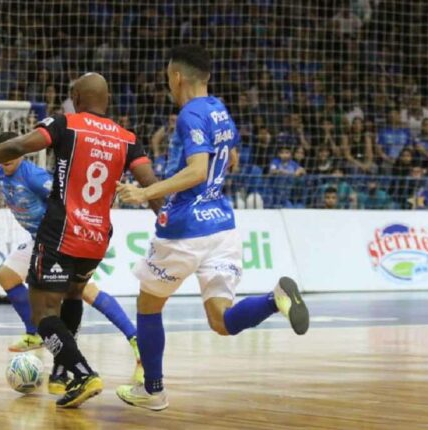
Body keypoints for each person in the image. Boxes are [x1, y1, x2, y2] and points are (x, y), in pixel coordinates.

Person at [0, 73, 161, 408]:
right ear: (108, 99)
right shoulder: (128, 139)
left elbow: (16, 146)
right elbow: (149, 183)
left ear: (75, 97)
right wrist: (165, 218)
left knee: (43, 315)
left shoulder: (65, 124)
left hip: (60, 231)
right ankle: (65, 372)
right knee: (73, 294)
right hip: (98, 236)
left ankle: (82, 372)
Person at [114, 45, 309, 411]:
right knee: (222, 321)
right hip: (222, 225)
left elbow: (198, 170)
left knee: (148, 305)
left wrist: (145, 193)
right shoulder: (219, 109)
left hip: (185, 227)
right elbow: (231, 157)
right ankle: (275, 298)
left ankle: (153, 390)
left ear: (177, 77)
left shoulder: (189, 115)